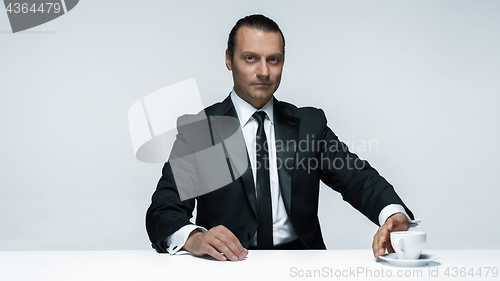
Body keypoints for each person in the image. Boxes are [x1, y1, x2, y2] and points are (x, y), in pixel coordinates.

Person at [146, 14, 418, 262]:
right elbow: (163, 209)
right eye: (250, 58)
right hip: (226, 267)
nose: (263, 71)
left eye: (273, 59)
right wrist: (195, 238)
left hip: (302, 265)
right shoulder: (200, 131)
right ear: (229, 59)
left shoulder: (310, 125)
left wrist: (392, 213)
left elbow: (357, 178)